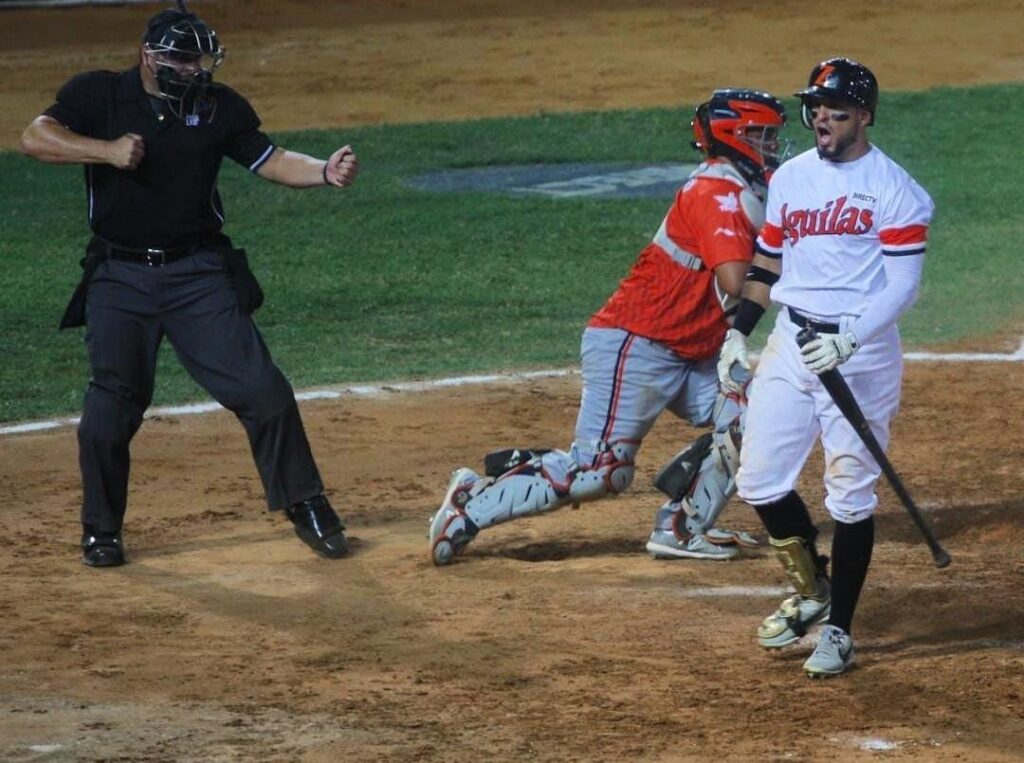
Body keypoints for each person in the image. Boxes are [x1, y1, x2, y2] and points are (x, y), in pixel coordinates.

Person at [18, 5, 360, 567]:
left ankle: (307, 503)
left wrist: (323, 170)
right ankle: (101, 530)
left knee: (264, 390)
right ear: (149, 56)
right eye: (183, 60)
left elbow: (269, 160)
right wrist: (104, 150)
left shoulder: (219, 106)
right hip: (119, 276)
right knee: (112, 405)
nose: (195, 72)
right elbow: (35, 138)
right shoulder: (99, 95)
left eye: (201, 61)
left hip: (198, 274)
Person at [428, 89, 790, 566]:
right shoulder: (713, 192)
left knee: (756, 410)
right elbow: (736, 281)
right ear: (732, 138)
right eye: (761, 135)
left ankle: (683, 526)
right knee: (602, 471)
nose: (771, 146)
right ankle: (470, 502)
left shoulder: (750, 191)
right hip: (637, 342)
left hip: (695, 351)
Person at [718, 58, 934, 677]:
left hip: (859, 356)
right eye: (816, 109)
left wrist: (849, 336)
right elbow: (767, 264)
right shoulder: (790, 178)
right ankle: (813, 588)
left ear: (863, 117)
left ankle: (839, 628)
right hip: (791, 342)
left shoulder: (895, 189)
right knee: (759, 479)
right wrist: (738, 334)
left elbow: (903, 287)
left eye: (836, 112)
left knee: (850, 494)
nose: (821, 121)